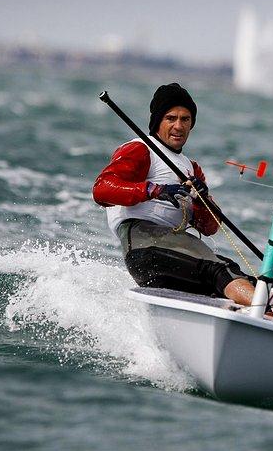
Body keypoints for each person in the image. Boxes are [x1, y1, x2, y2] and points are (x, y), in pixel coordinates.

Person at [93, 83, 256, 306]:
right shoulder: (141, 149)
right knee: (220, 271)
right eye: (171, 118)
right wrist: (154, 190)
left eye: (185, 119)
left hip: (175, 248)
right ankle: (266, 310)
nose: (178, 126)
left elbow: (209, 228)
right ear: (158, 121)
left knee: (247, 280)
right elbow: (102, 189)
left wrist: (201, 201)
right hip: (145, 245)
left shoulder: (191, 168)